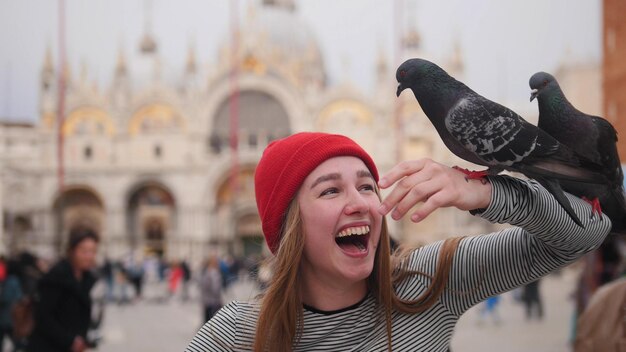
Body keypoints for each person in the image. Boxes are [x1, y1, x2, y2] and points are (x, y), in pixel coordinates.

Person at [186, 132, 611, 352]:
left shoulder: (430, 282)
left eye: (368, 187)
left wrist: (485, 192)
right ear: (288, 225)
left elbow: (584, 233)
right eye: (330, 190)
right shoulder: (239, 333)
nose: (361, 203)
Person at [28, 227, 100, 352]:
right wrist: (70, 340)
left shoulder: (87, 278)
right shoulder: (57, 276)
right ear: (72, 251)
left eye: (92, 251)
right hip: (49, 346)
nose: (88, 256)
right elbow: (43, 316)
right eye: (83, 251)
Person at [0, 260, 24, 352]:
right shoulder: (16, 280)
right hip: (10, 316)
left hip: (6, 316)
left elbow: (6, 298)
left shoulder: (11, 280)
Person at [199, 256, 223, 323]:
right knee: (213, 321)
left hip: (206, 300)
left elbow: (202, 285)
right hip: (213, 301)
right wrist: (219, 299)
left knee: (206, 320)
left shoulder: (206, 272)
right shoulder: (214, 273)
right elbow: (216, 288)